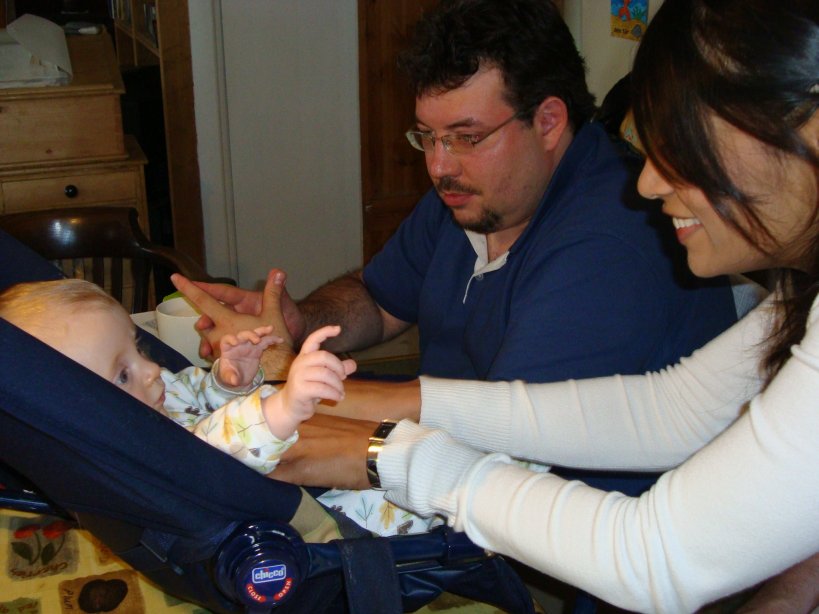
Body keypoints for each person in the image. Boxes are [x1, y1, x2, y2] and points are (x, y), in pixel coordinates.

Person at [245, 0, 817, 611]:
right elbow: (669, 409)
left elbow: (655, 557)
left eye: (682, 143)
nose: (649, 183)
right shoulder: (795, 297)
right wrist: (318, 392)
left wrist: (392, 452)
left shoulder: (607, 238)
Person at [182, 0, 739, 500]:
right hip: (443, 474)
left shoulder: (610, 244)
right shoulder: (479, 192)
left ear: (548, 122)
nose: (438, 165)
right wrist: (301, 324)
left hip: (549, 542)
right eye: (427, 135)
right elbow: (378, 301)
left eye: (466, 137)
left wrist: (274, 397)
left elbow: (486, 444)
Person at [0, 277, 434, 537]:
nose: (151, 370)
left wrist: (229, 381)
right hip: (339, 517)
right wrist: (286, 404)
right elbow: (218, 448)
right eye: (122, 373)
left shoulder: (155, 392)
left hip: (313, 464)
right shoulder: (147, 449)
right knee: (423, 501)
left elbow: (194, 395)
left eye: (135, 349)